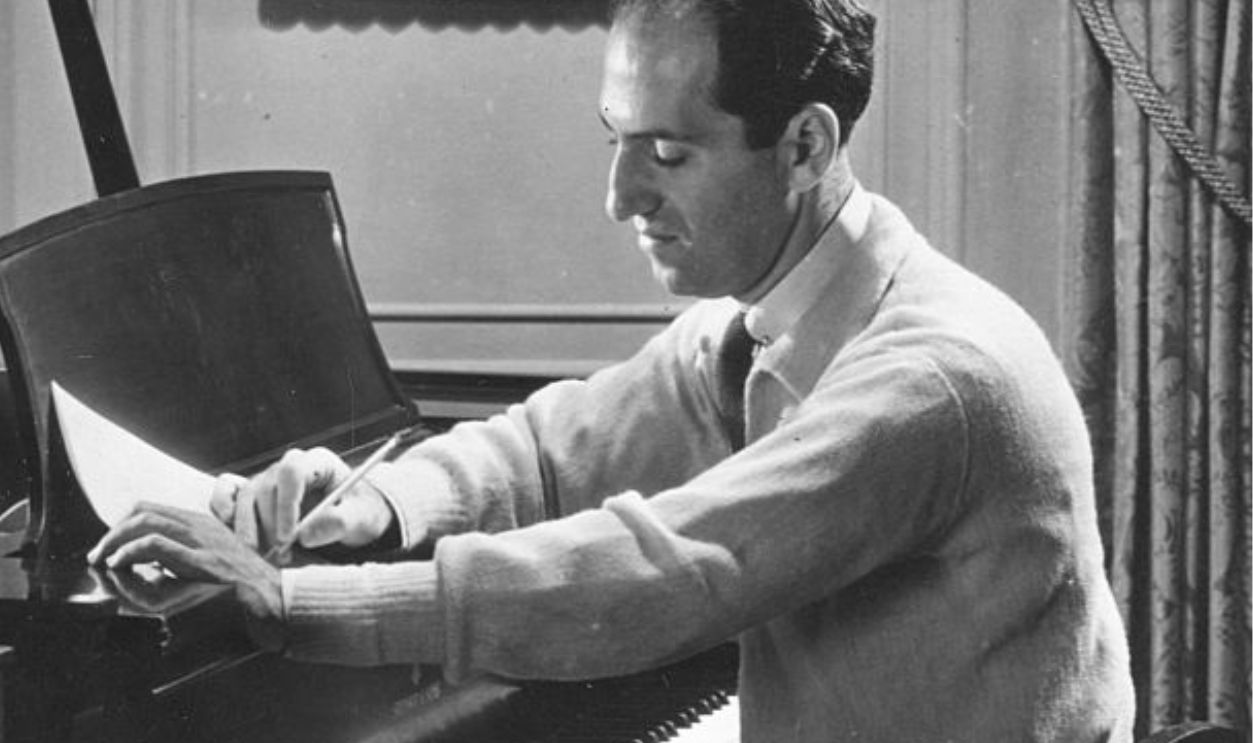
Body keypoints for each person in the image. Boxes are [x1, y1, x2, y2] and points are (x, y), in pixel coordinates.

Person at [88, 0, 1138, 740]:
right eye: (614, 138)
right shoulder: (763, 314)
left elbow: (670, 569)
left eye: (668, 152)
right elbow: (555, 446)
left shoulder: (931, 381)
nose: (620, 195)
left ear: (805, 146)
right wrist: (374, 504)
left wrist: (283, 597)